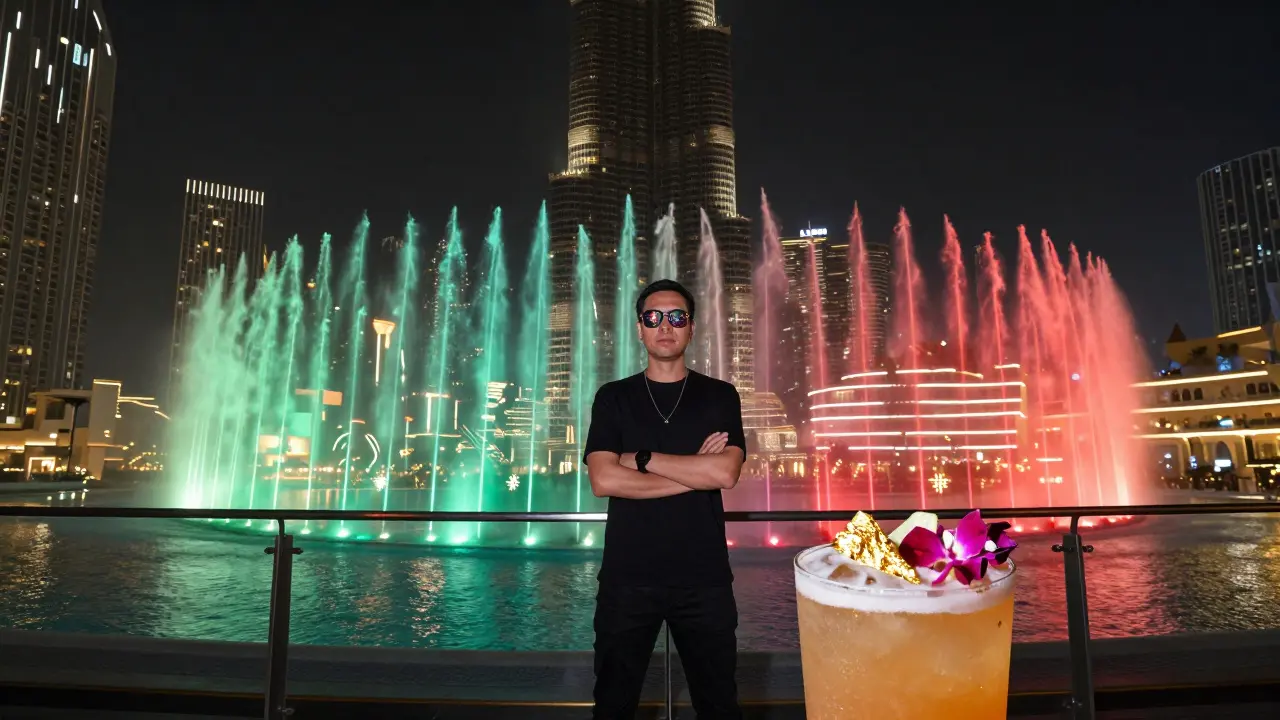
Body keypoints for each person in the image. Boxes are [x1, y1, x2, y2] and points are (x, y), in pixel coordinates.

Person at [583, 279, 746, 719]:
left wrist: (642, 458)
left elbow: (725, 472)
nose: (665, 327)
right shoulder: (613, 397)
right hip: (627, 578)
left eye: (677, 317)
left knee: (718, 705)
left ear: (692, 328)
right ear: (640, 328)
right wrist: (695, 473)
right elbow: (603, 480)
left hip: (704, 579)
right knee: (614, 704)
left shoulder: (719, 395)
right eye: (653, 318)